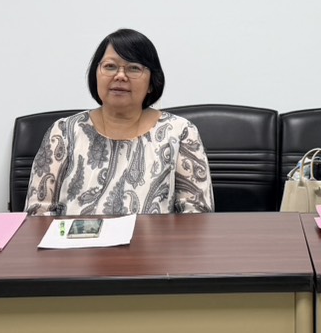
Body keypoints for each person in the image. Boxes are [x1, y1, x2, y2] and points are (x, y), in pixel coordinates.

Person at [25, 28, 213, 215]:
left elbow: (197, 214)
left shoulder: (180, 132)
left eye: (134, 68)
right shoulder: (64, 132)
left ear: (151, 83)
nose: (120, 76)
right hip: (75, 236)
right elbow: (38, 213)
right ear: (96, 75)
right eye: (110, 66)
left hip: (154, 236)